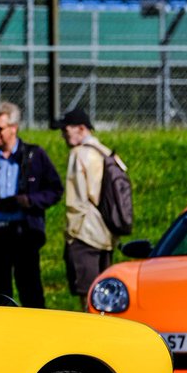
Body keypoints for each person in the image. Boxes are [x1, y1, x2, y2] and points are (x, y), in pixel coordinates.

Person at [0, 101, 63, 308]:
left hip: (23, 234)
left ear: (14, 128)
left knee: (30, 290)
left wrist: (29, 201)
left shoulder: (34, 156)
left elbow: (55, 190)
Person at [58, 108, 115, 306]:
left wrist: (71, 234)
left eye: (66, 130)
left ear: (81, 129)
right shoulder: (106, 152)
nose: (63, 135)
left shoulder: (79, 154)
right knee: (104, 296)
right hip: (107, 232)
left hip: (85, 234)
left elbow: (77, 201)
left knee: (87, 296)